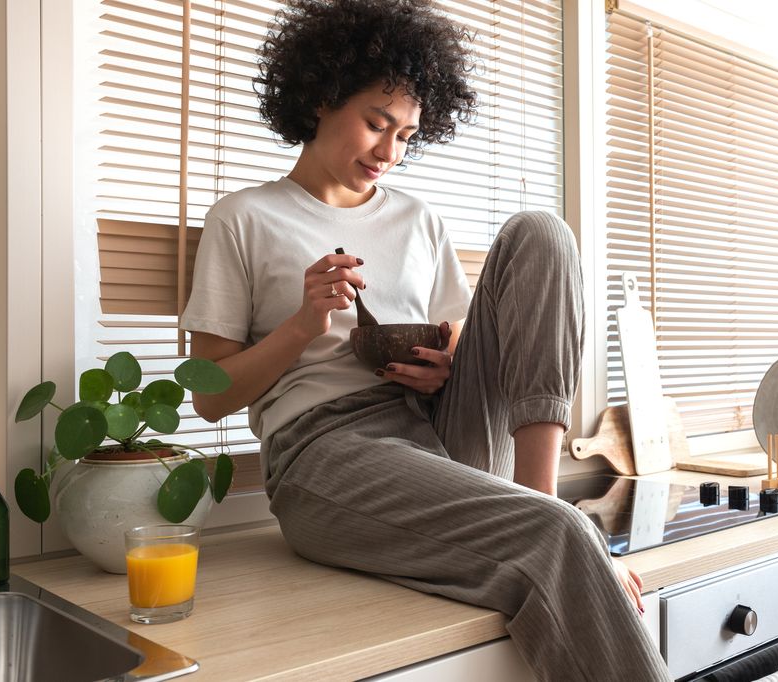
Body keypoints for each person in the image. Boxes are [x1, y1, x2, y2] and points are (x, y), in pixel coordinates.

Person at [181, 1, 671, 680]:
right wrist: (302, 325)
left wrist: (445, 359)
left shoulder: (417, 218)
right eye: (376, 124)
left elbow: (468, 329)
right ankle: (558, 524)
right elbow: (208, 398)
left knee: (543, 233)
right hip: (326, 454)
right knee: (562, 538)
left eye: (407, 135)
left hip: (439, 431)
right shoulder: (244, 217)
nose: (389, 152)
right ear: (322, 98)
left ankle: (541, 494)